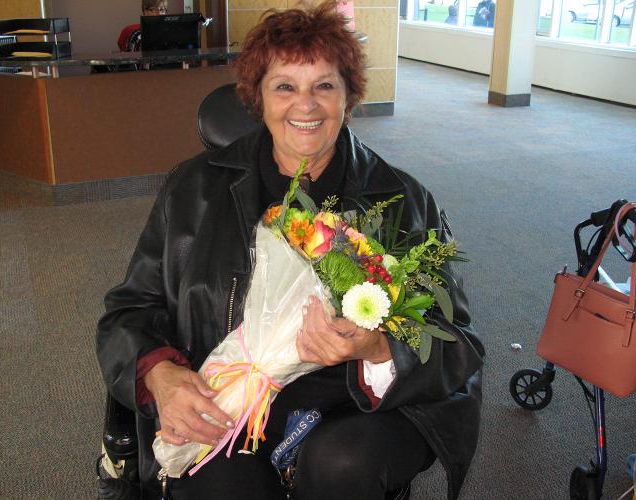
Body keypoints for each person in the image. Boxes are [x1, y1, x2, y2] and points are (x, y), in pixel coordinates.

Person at [96, 2, 484, 499]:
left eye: (324, 85)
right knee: (222, 482)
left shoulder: (402, 199)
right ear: (257, 97)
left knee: (342, 464)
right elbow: (128, 312)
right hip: (230, 400)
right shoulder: (192, 190)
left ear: (350, 97)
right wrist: (163, 376)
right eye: (285, 86)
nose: (306, 105)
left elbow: (458, 343)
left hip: (358, 408)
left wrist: (377, 349)